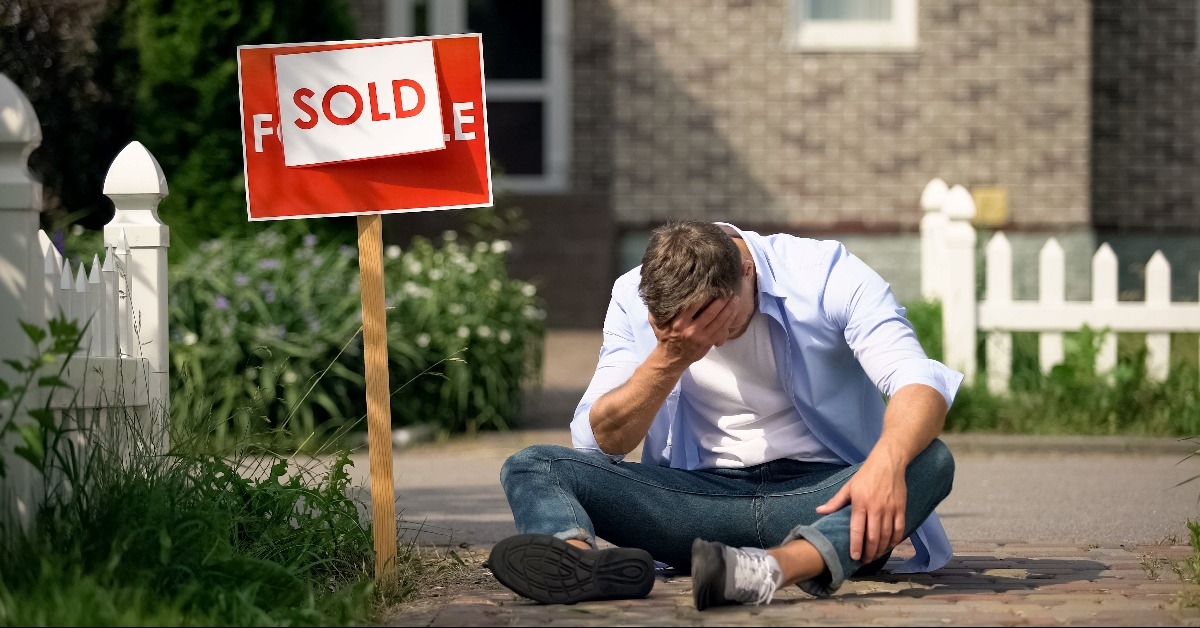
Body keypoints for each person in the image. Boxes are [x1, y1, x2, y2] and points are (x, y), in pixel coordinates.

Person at [487, 220, 962, 610]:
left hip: (822, 498)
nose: (704, 337)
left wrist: (886, 461)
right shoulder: (632, 295)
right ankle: (579, 566)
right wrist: (670, 357)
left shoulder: (824, 274)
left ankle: (771, 571)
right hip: (699, 500)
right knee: (533, 465)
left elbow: (917, 380)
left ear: (746, 272)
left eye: (713, 320)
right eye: (680, 326)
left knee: (929, 459)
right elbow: (598, 442)